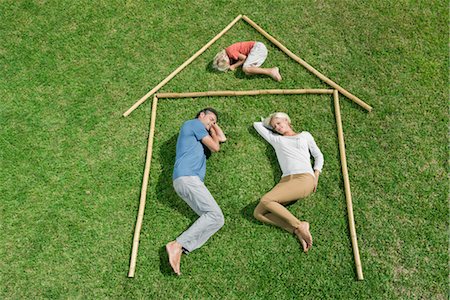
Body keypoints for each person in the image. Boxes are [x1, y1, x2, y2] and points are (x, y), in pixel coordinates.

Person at [166, 108, 227, 275]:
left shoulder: (198, 135)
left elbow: (221, 138)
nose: (212, 123)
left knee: (216, 219)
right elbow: (216, 147)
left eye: (215, 122)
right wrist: (210, 127)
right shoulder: (193, 124)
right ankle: (177, 244)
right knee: (215, 215)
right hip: (188, 178)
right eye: (210, 119)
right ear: (201, 115)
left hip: (185, 182)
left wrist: (213, 126)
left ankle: (182, 247)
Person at [253, 112, 324, 253]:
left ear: (287, 120)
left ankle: (300, 225)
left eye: (279, 123)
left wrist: (316, 175)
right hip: (285, 181)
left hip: (304, 178)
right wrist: (268, 122)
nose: (277, 127)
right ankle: (296, 229)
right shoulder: (276, 140)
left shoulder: (304, 135)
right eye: (274, 126)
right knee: (258, 213)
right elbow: (257, 125)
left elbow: (318, 155)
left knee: (266, 200)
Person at [212, 41, 282, 81]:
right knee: (248, 72)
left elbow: (244, 58)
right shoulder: (228, 52)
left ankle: (271, 71)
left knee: (245, 68)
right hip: (259, 51)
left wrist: (234, 66)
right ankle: (270, 71)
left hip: (257, 48)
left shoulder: (230, 52)